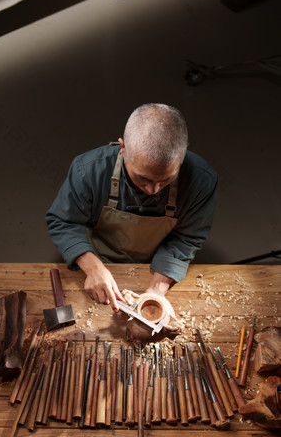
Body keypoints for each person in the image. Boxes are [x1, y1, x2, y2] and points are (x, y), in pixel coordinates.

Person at [46, 103, 218, 312]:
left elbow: (187, 238)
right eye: (142, 178)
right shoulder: (88, 170)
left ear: (183, 153)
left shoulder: (202, 180)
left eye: (166, 180)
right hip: (97, 254)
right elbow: (63, 221)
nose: (153, 190)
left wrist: (156, 290)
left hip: (157, 263)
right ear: (123, 147)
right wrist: (92, 266)